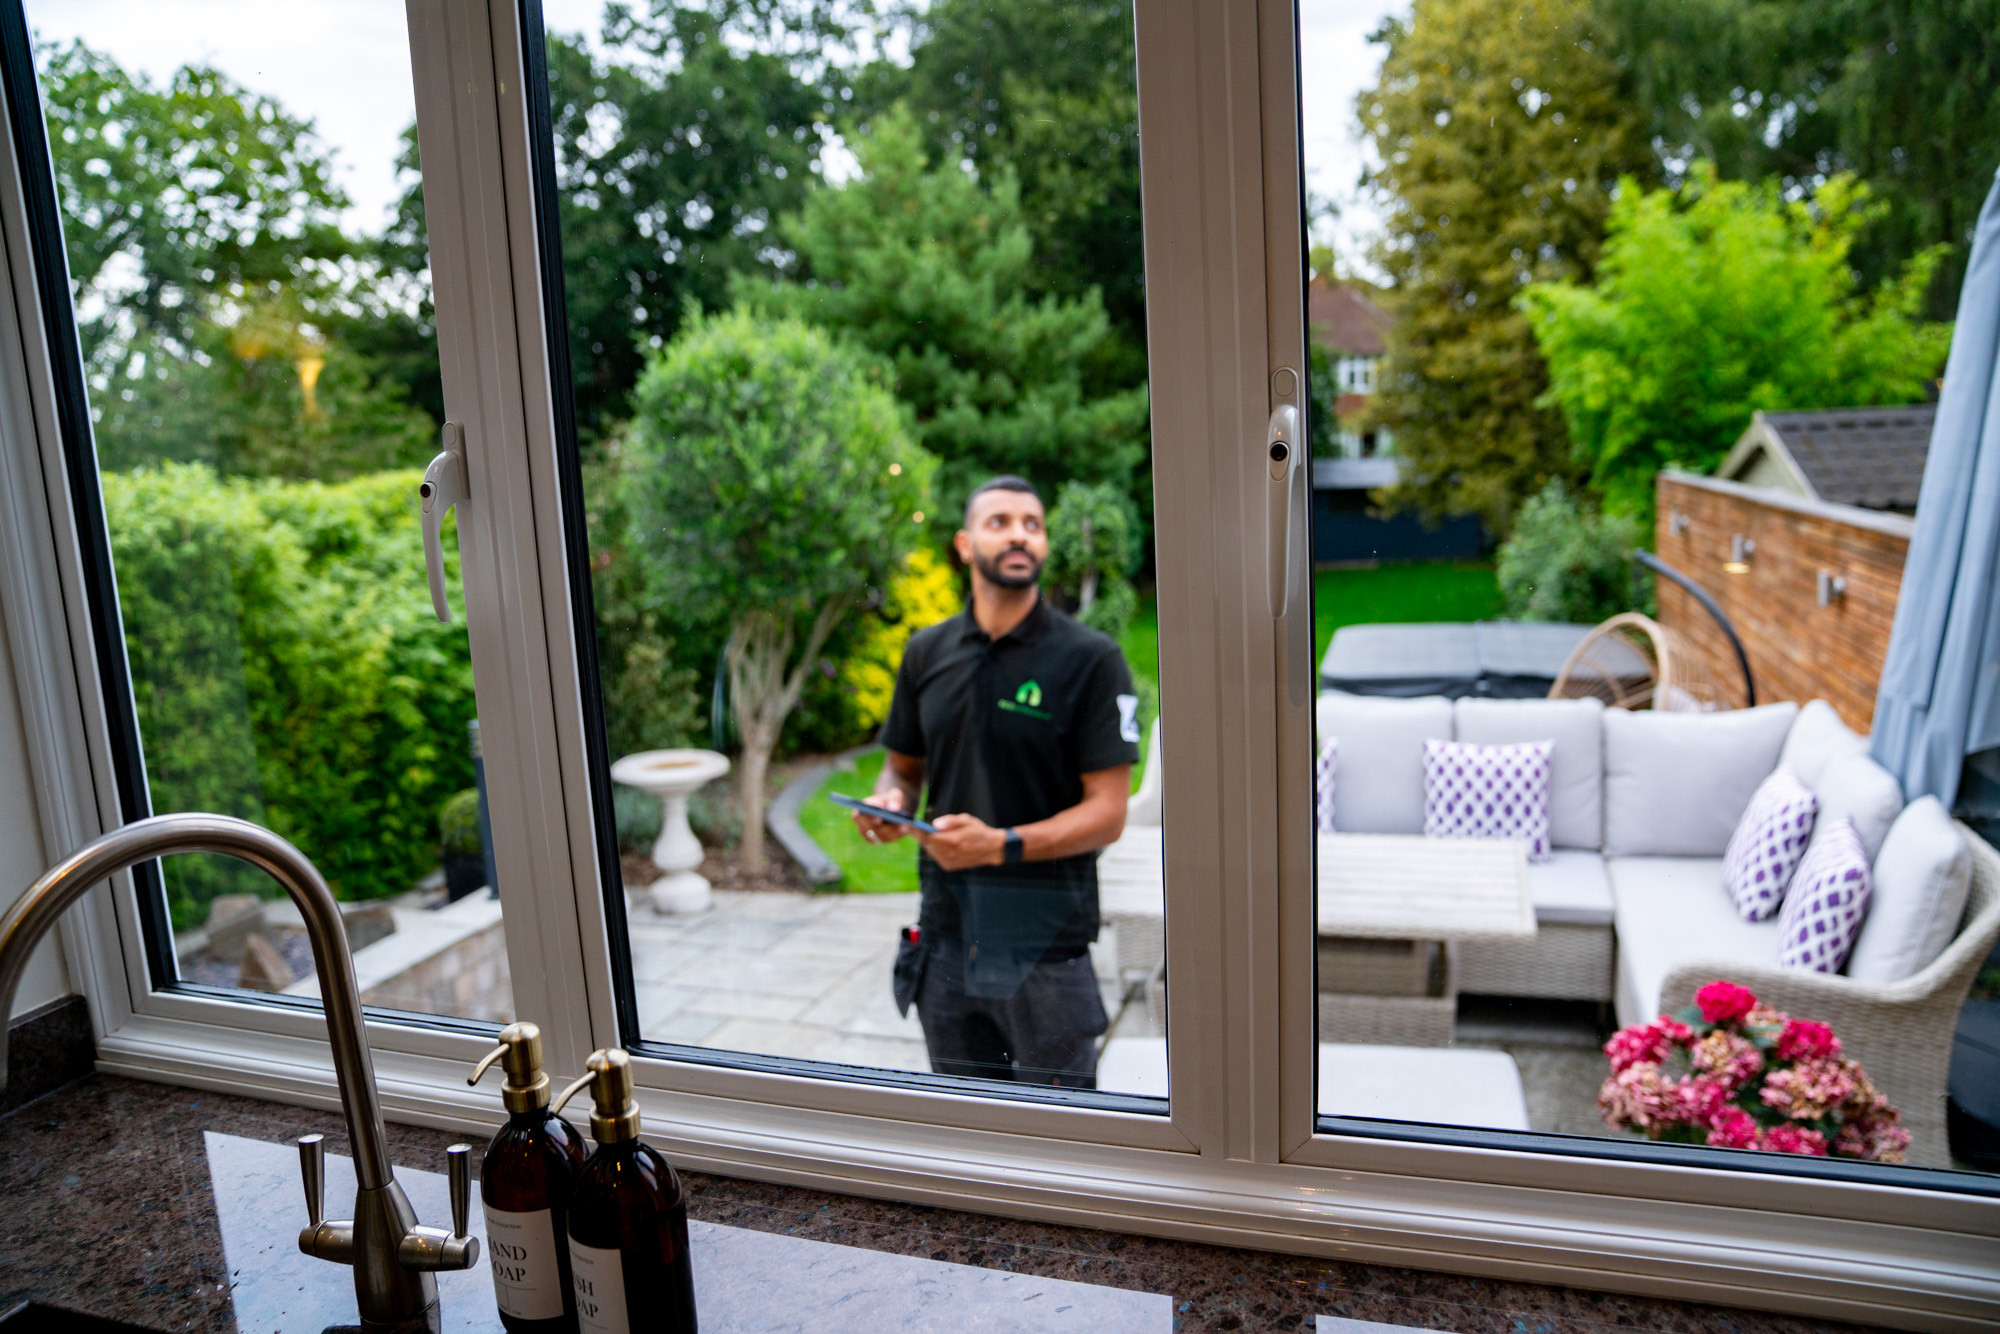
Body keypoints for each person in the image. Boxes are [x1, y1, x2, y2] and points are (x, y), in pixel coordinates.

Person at [852, 475, 1140, 1088]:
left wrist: (1001, 843)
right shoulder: (927, 652)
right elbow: (902, 766)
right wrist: (890, 804)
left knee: (1062, 1145)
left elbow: (1109, 812)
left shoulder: (1090, 659)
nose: (1019, 535)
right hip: (946, 937)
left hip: (1045, 946)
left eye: (1032, 524)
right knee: (966, 1134)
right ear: (964, 544)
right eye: (1001, 522)